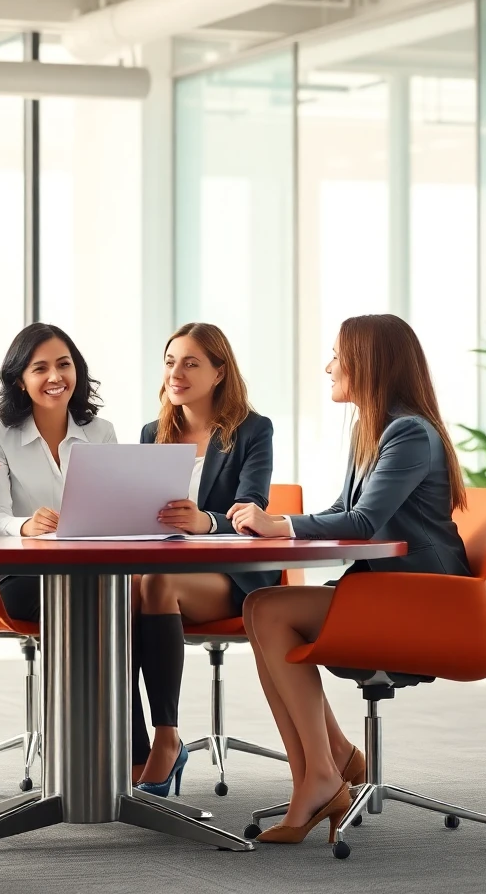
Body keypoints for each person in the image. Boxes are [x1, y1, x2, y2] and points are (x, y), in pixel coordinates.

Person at [232, 314, 471, 844]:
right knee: (260, 607)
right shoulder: (375, 427)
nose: (328, 367)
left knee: (268, 609)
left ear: (368, 362)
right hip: (386, 587)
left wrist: (281, 525)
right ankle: (324, 767)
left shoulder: (408, 432)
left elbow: (362, 522)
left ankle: (323, 771)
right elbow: (346, 508)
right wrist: (278, 526)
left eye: (338, 356)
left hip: (423, 599)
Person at [133, 323, 275, 795]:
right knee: (118, 592)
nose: (176, 372)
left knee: (153, 583)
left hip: (229, 575)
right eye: (171, 362)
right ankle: (132, 745)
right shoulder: (154, 432)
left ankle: (166, 738)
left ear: (219, 372)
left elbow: (251, 509)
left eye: (191, 363)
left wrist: (207, 522)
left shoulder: (253, 431)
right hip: (165, 569)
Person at [0, 322, 117, 621]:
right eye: (40, 368)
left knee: (135, 600)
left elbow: (110, 513)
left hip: (88, 568)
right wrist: (27, 525)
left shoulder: (101, 432)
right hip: (24, 572)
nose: (55, 377)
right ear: (20, 381)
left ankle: (119, 671)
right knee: (81, 606)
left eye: (64, 365)